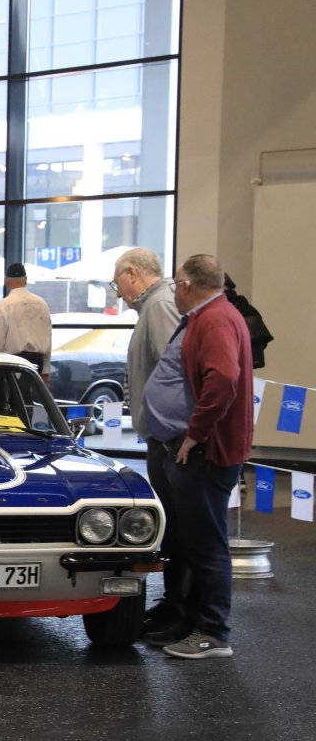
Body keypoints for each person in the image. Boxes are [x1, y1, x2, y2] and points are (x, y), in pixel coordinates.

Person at [139, 254, 253, 659]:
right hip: (188, 448)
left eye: (176, 284)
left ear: (187, 284)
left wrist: (196, 434)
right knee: (191, 541)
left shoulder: (215, 319)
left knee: (206, 546)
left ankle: (213, 633)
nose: (174, 291)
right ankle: (190, 620)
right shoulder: (207, 317)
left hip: (204, 452)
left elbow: (223, 378)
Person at [111, 248, 183, 640]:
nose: (118, 292)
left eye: (117, 283)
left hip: (168, 438)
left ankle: (180, 608)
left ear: (132, 274)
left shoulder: (158, 307)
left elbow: (177, 371)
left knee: (178, 526)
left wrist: (171, 429)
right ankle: (174, 603)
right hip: (163, 436)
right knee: (174, 524)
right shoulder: (154, 307)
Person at [0, 263, 52, 373]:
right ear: (26, 280)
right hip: (37, 364)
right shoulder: (41, 304)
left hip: (12, 365)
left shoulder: (4, 306)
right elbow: (48, 336)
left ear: (6, 281)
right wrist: (46, 369)